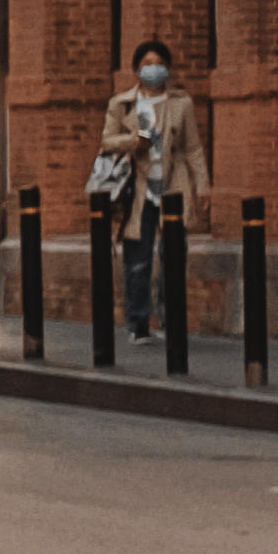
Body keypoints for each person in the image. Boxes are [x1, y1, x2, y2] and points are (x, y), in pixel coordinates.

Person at [95, 39, 208, 345]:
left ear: (167, 67)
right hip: (139, 191)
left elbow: (193, 148)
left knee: (173, 259)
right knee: (138, 261)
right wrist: (135, 142)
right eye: (146, 64)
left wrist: (203, 187)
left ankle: (172, 323)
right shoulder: (122, 104)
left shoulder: (181, 103)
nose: (152, 69)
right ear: (136, 69)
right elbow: (107, 141)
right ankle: (138, 324)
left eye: (158, 63)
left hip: (173, 188)